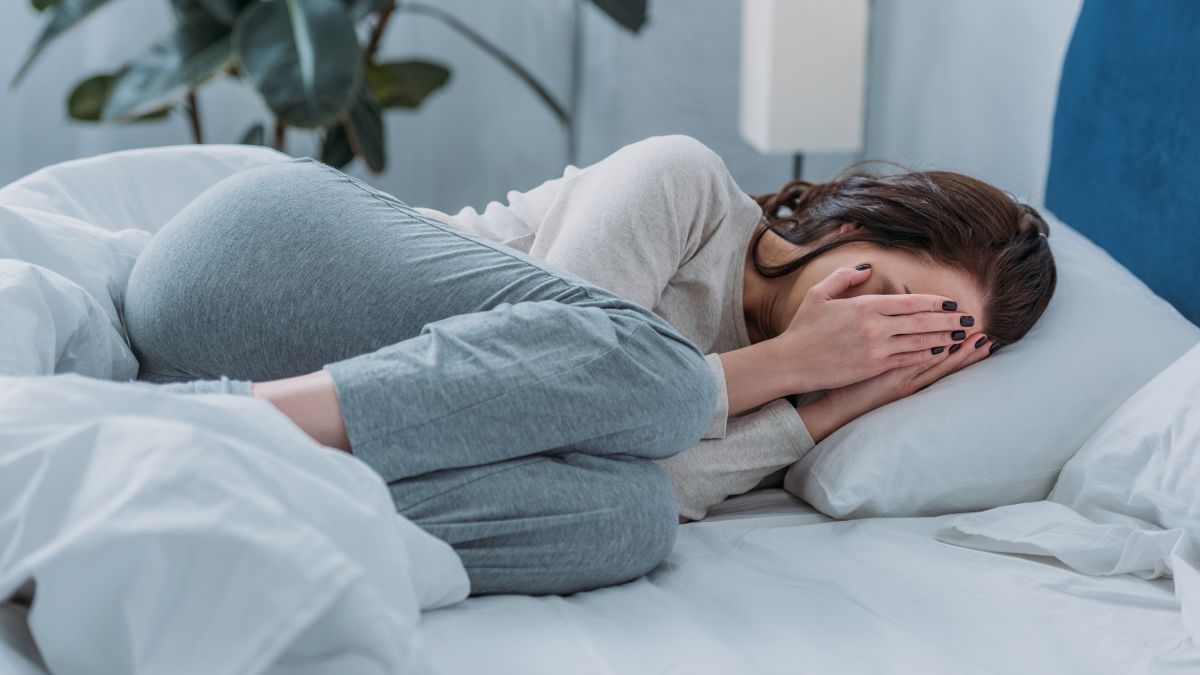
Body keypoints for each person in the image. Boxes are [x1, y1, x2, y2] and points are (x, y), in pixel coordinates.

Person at [122, 136, 1056, 596]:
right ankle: (215, 431)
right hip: (261, 260)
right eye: (888, 298)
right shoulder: (685, 186)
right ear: (849, 228)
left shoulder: (793, 412)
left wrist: (810, 417)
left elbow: (635, 469)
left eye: (916, 342)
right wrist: (782, 367)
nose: (872, 338)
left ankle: (205, 486)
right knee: (649, 375)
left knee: (631, 517)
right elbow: (551, 366)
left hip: (277, 386)